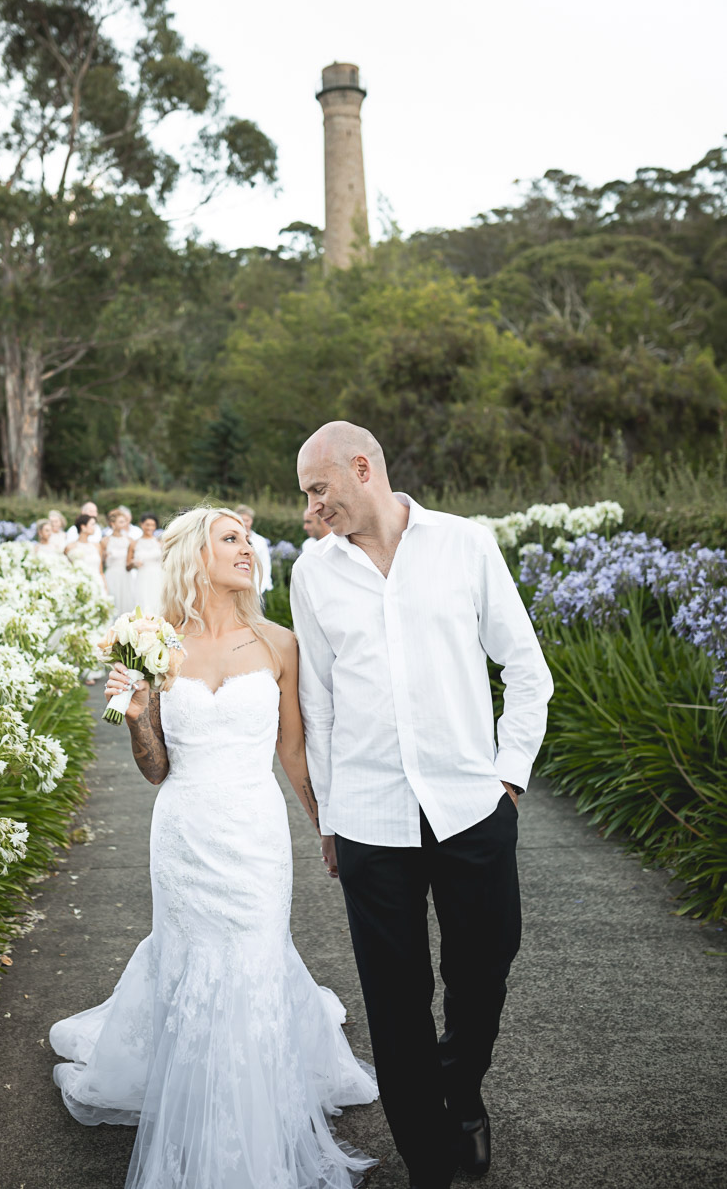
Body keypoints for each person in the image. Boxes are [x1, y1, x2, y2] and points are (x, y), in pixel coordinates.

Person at [50, 506, 378, 1189]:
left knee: (254, 957)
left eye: (247, 541)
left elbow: (293, 754)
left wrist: (329, 829)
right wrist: (138, 721)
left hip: (255, 832)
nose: (246, 549)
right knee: (193, 961)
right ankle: (197, 1102)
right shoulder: (155, 644)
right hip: (183, 831)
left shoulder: (279, 644)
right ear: (196, 555)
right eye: (230, 539)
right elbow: (155, 767)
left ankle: (257, 1115)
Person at [291, 421, 553, 1189]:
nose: (312, 507)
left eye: (317, 489)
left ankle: (462, 1089)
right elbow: (320, 705)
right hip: (370, 820)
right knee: (393, 1000)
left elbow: (526, 668)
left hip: (472, 807)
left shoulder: (464, 544)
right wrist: (331, 818)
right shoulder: (314, 574)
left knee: (485, 966)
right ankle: (429, 1160)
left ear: (361, 468)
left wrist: (508, 779)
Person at [126, 512, 163, 615]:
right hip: (142, 578)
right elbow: (127, 566)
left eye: (153, 525)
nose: (150, 527)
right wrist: (133, 563)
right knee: (143, 603)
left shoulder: (160, 542)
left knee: (158, 602)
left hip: (158, 577)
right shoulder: (134, 543)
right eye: (147, 524)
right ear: (141, 524)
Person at [235, 503, 273, 595]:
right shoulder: (232, 540)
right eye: (241, 520)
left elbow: (265, 563)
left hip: (257, 588)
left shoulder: (260, 541)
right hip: (237, 588)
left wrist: (263, 585)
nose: (244, 523)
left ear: (251, 521)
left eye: (247, 520)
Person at [103, 508, 136, 616]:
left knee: (126, 603)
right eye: (121, 522)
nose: (125, 524)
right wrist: (104, 557)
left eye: (125, 521)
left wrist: (133, 563)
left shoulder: (129, 540)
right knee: (112, 602)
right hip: (111, 575)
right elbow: (101, 563)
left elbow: (129, 562)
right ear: (113, 524)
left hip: (125, 576)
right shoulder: (105, 541)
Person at [65, 513, 106, 591]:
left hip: (97, 583)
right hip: (79, 585)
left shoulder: (97, 546)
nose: (95, 527)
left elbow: (100, 571)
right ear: (83, 527)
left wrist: (105, 587)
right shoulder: (70, 547)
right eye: (92, 524)